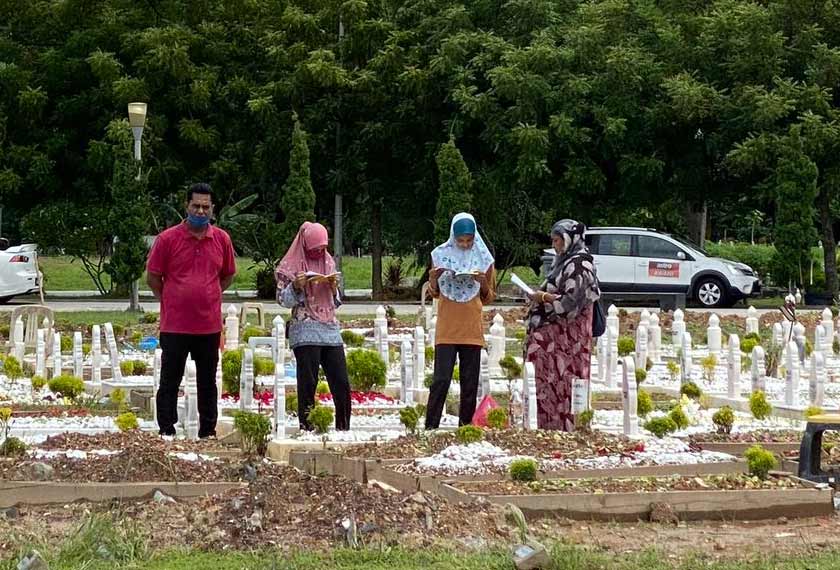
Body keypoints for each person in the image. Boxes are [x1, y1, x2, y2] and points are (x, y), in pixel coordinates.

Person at [147, 183, 237, 438]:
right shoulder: (167, 239)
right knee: (170, 380)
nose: (200, 211)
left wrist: (208, 293)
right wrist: (171, 298)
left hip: (208, 326)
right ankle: (167, 429)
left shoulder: (221, 239)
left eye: (205, 207)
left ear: (212, 209)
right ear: (186, 207)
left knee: (208, 382)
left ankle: (207, 431)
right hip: (175, 325)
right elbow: (153, 277)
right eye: (195, 206)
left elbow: (228, 275)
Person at [525, 219, 600, 431]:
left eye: (558, 240)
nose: (555, 245)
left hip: (568, 341)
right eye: (554, 240)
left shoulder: (579, 264)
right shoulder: (564, 261)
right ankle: (547, 423)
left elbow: (570, 303)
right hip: (555, 340)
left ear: (570, 240)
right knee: (548, 380)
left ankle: (564, 424)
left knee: (566, 381)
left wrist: (545, 298)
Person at [275, 222, 351, 431]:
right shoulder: (291, 265)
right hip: (305, 329)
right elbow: (282, 300)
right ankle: (307, 426)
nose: (319, 252)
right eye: (314, 249)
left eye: (322, 248)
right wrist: (296, 286)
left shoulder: (328, 262)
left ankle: (343, 427)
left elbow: (336, 302)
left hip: (329, 328)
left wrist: (334, 287)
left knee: (341, 381)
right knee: (308, 382)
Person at [425, 212, 496, 429]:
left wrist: (482, 282)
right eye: (460, 240)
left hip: (471, 328)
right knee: (441, 380)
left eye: (469, 240)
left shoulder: (484, 258)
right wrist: (434, 279)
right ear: (452, 237)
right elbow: (435, 293)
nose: (465, 245)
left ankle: (465, 428)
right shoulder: (440, 254)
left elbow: (488, 296)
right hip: (447, 327)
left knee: (469, 383)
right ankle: (430, 426)